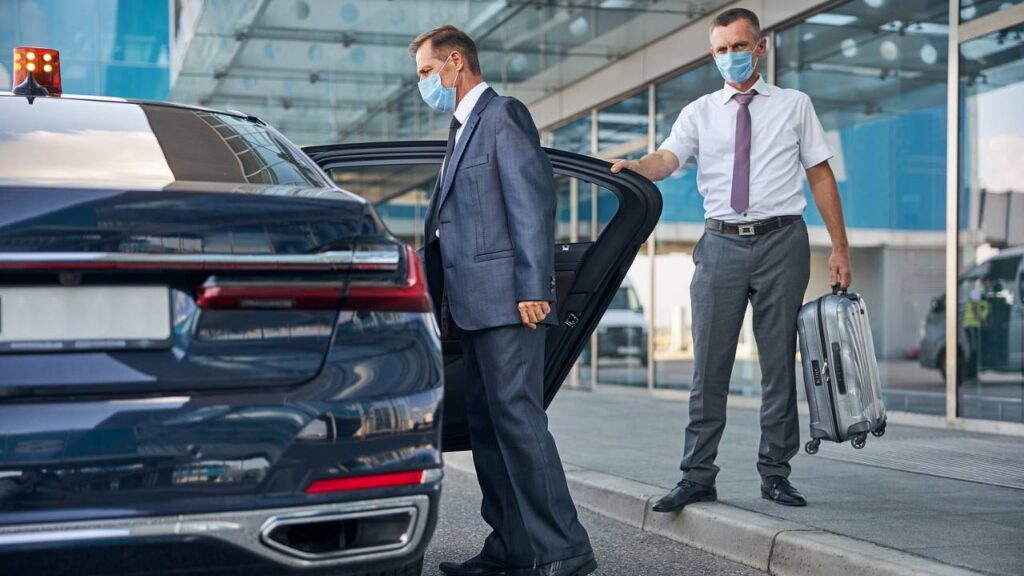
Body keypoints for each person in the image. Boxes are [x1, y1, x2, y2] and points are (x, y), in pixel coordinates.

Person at [610, 8, 852, 511]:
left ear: (759, 48)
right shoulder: (699, 112)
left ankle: (775, 473)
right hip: (719, 244)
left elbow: (821, 176)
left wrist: (840, 248)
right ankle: (697, 475)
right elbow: (667, 158)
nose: (729, 57)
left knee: (777, 368)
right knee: (709, 367)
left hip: (782, 241)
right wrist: (638, 166)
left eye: (738, 47)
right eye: (721, 50)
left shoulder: (794, 105)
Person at [409, 25, 595, 576]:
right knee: (487, 426)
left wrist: (535, 287)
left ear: (456, 62)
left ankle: (565, 548)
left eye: (426, 72)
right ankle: (511, 546)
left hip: (510, 302)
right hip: (470, 306)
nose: (424, 83)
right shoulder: (460, 128)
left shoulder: (503, 116)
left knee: (518, 421)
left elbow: (530, 203)